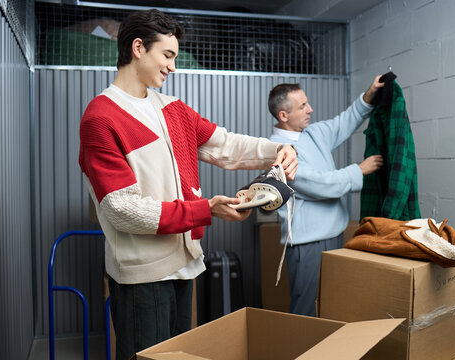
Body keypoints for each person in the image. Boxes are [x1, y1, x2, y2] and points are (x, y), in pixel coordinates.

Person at [78, 9, 298, 360]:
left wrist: (278, 149)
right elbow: (122, 210)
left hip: (185, 266)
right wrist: (204, 210)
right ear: (138, 48)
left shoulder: (173, 109)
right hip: (142, 278)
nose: (173, 67)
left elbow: (225, 146)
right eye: (167, 55)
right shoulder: (101, 117)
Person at [268, 77, 384, 317]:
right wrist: (358, 170)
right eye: (302, 106)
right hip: (307, 245)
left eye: (307, 103)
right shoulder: (276, 150)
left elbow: (345, 122)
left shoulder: (313, 133)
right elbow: (319, 184)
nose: (310, 109)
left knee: (329, 307)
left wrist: (369, 93)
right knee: (306, 311)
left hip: (332, 237)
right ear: (283, 115)